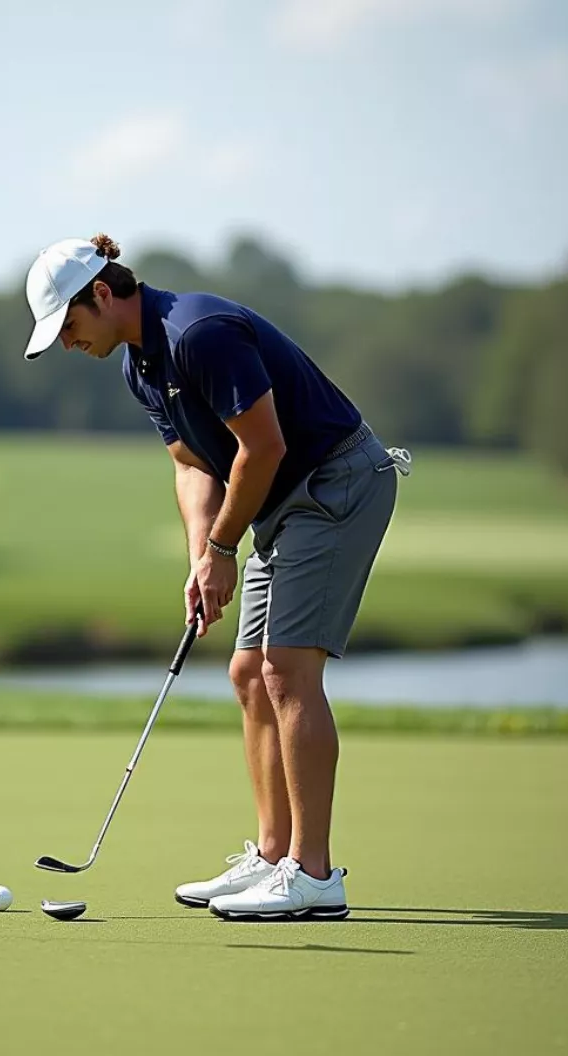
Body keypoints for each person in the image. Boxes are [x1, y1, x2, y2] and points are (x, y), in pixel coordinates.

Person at [23, 234, 410, 920]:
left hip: (337, 482)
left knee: (287, 669)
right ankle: (270, 858)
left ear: (103, 295)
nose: (65, 343)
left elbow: (264, 446)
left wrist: (226, 546)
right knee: (246, 671)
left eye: (69, 325)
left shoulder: (197, 334)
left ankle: (313, 875)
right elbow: (193, 463)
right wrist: (203, 557)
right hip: (274, 500)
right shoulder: (138, 367)